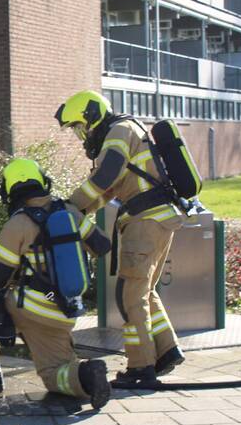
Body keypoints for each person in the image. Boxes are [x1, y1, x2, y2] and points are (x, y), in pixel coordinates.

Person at [0, 158, 113, 410]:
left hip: (34, 307)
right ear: (43, 182)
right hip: (65, 310)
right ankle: (87, 375)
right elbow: (102, 246)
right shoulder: (70, 212)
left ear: (9, 191)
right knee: (54, 373)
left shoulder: (18, 224)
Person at [55, 90, 186, 386]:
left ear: (92, 116)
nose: (80, 135)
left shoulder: (118, 131)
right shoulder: (128, 130)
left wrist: (70, 207)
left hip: (145, 220)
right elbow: (110, 190)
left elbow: (105, 178)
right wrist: (78, 211)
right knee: (144, 291)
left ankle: (140, 368)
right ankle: (166, 350)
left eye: (79, 127)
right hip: (157, 218)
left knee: (129, 295)